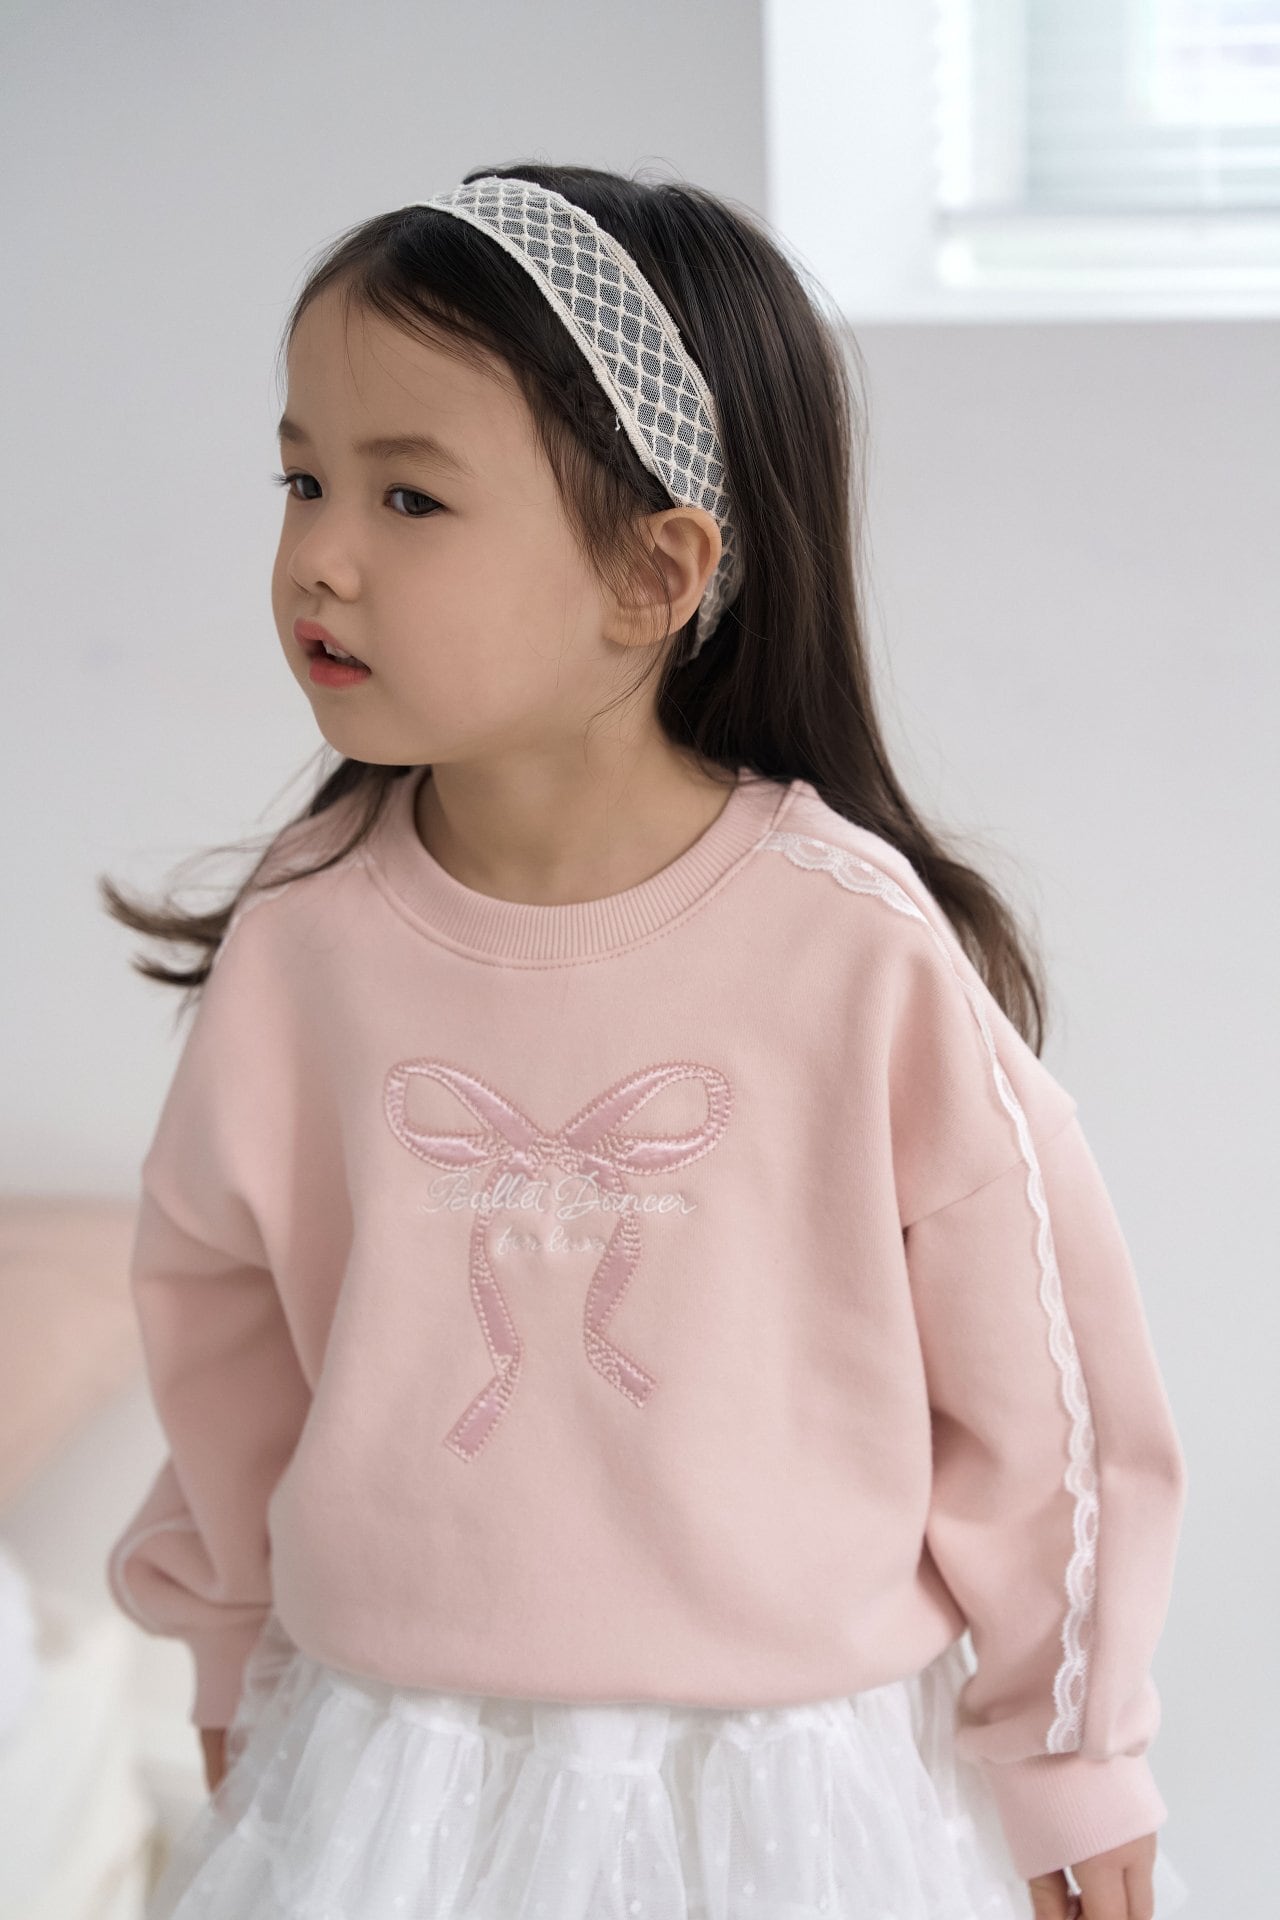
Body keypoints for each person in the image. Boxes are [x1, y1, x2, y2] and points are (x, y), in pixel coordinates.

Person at [102, 163, 1192, 1920]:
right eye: (303, 479)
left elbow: (1047, 1388)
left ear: (652, 570)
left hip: (788, 1793)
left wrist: (1072, 1745)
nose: (320, 555)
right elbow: (222, 1331)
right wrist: (231, 1643)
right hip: (394, 1775)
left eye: (409, 496)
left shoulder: (848, 945)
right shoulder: (307, 941)